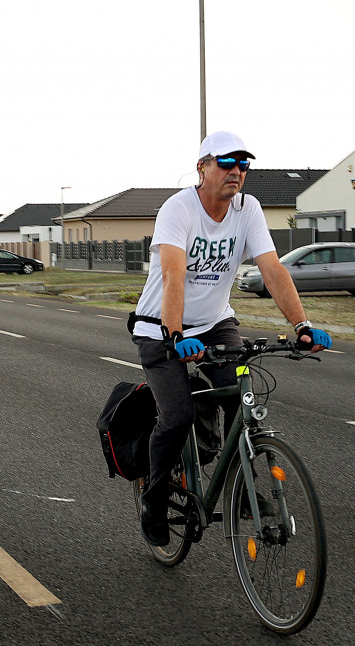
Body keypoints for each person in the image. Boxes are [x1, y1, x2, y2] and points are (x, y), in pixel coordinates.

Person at [130, 130, 331, 547]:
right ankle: (153, 498)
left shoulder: (248, 208)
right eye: (226, 163)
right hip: (161, 327)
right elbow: (173, 273)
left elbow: (273, 269)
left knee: (239, 395)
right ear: (202, 166)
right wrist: (174, 333)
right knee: (177, 416)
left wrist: (302, 326)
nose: (236, 172)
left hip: (216, 321)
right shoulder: (178, 209)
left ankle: (236, 482)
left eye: (243, 165)